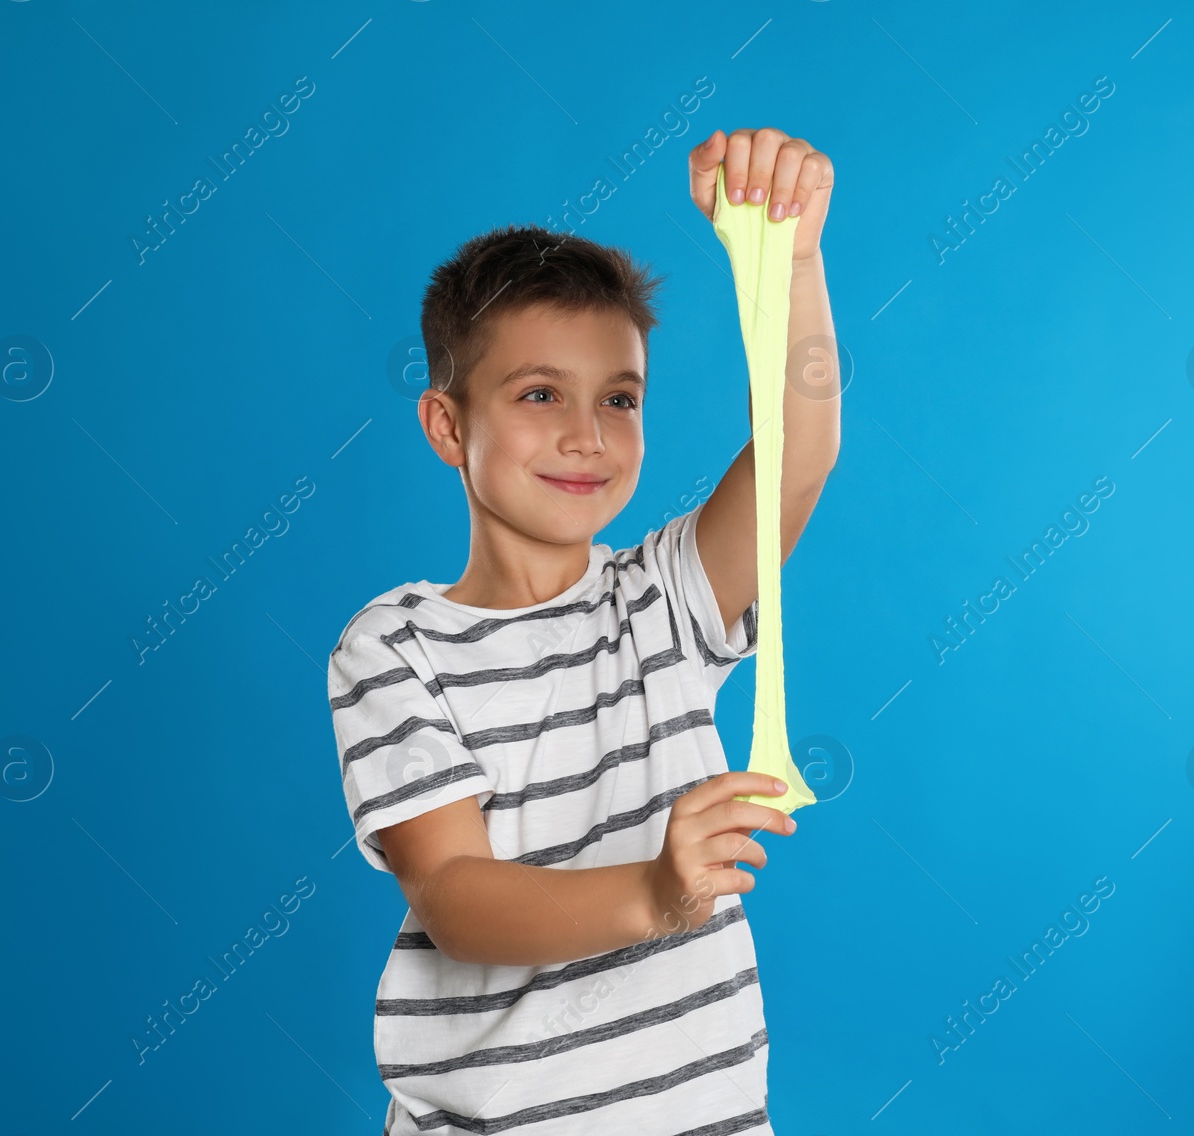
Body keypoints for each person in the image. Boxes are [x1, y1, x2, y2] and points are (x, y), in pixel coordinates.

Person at [327, 127, 839, 1134]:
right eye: (537, 394)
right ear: (445, 426)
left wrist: (791, 255)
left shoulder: (664, 598)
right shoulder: (392, 646)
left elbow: (799, 451)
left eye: (619, 398)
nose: (585, 435)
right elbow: (456, 894)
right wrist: (654, 890)